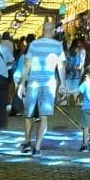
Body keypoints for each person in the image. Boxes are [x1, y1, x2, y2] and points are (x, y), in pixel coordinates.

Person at [18, 21, 65, 155]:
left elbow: (27, 64)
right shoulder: (58, 46)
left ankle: (28, 142)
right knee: (44, 116)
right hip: (49, 84)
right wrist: (63, 84)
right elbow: (61, 66)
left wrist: (22, 83)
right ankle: (37, 148)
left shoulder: (34, 44)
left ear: (43, 30)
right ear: (53, 31)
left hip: (33, 83)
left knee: (28, 114)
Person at [64, 37, 86, 102]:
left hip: (68, 74)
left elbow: (65, 63)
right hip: (76, 74)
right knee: (75, 90)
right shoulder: (81, 52)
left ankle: (68, 103)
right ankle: (74, 102)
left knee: (68, 90)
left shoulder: (68, 52)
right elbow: (81, 65)